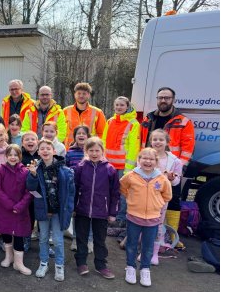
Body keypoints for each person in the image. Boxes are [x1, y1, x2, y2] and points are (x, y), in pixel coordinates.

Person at [138, 87, 195, 234]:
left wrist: (178, 169)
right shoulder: (148, 119)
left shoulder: (183, 121)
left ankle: (171, 234)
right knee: (148, 199)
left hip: (171, 168)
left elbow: (188, 148)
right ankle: (147, 231)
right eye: (160, 98)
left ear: (173, 100)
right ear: (157, 99)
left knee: (173, 200)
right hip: (149, 167)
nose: (163, 100)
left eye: (167, 98)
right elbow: (141, 142)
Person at [119, 148, 172, 287]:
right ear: (139, 160)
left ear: (156, 162)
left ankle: (145, 269)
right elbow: (122, 187)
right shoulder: (131, 176)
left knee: (148, 247)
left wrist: (157, 203)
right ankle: (130, 267)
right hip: (134, 217)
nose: (148, 161)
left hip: (153, 220)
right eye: (145, 158)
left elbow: (167, 195)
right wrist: (131, 199)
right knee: (131, 244)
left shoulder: (162, 179)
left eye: (151, 159)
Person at [25, 139, 76, 282]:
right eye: (42, 149)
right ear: (38, 152)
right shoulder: (36, 169)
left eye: (48, 148)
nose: (45, 151)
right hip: (43, 210)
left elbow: (71, 193)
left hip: (58, 212)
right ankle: (44, 263)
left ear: (54, 151)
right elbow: (30, 188)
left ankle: (59, 265)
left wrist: (70, 209)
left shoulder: (65, 171)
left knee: (58, 240)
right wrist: (33, 175)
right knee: (43, 238)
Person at [72, 137, 120, 279]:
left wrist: (112, 213)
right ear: (86, 151)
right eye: (91, 150)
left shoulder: (110, 169)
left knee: (100, 240)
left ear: (102, 151)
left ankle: (101, 265)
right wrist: (73, 207)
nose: (94, 153)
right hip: (82, 209)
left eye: (97, 150)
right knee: (81, 238)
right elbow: (74, 188)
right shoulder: (80, 167)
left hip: (102, 211)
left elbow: (115, 193)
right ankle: (81, 263)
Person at [0, 144, 33, 275]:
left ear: (20, 156)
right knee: (6, 233)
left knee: (19, 235)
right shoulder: (0, 170)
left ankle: (18, 263)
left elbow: (29, 191)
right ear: (6, 156)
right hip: (4, 209)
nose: (13, 157)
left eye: (16, 155)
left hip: (20, 210)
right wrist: (10, 205)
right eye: (10, 155)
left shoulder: (25, 171)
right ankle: (8, 257)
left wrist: (19, 206)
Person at [103, 96, 141, 227]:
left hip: (123, 166)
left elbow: (134, 147)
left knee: (122, 193)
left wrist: (128, 169)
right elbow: (104, 141)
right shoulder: (110, 121)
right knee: (107, 191)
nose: (119, 107)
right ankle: (107, 215)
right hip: (108, 164)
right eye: (117, 105)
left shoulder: (134, 123)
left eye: (122, 105)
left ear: (127, 107)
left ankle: (120, 218)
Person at [147, 129, 183, 265]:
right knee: (144, 223)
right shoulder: (145, 156)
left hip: (161, 199)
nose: (158, 142)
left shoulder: (175, 161)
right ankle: (144, 250)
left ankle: (154, 253)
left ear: (167, 142)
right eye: (155, 139)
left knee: (158, 224)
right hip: (145, 196)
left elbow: (176, 182)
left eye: (161, 139)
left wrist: (172, 178)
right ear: (151, 141)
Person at [62, 82, 107, 147]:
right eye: (79, 93)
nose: (81, 96)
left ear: (89, 95)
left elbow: (102, 134)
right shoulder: (65, 111)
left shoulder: (98, 112)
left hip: (89, 149)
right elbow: (61, 131)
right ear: (75, 94)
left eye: (84, 93)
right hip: (69, 149)